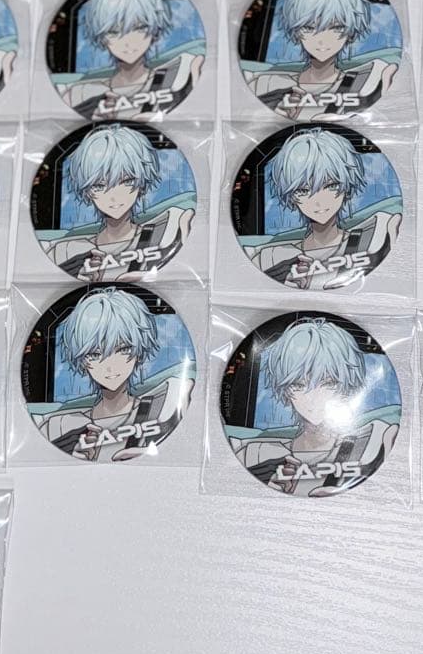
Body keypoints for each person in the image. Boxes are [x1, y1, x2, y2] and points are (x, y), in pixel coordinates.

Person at [229, 318, 397, 496]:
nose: (313, 398)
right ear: (284, 391)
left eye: (328, 383)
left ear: (347, 387)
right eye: (298, 385)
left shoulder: (376, 437)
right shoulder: (255, 452)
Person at [35, 288, 192, 461]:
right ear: (82, 360)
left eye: (123, 349)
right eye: (94, 354)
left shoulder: (162, 408)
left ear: (139, 353)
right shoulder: (58, 425)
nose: (109, 366)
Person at [246, 128, 400, 290]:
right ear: (291, 196)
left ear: (347, 188)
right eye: (303, 190)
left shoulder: (377, 233)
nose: (318, 201)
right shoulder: (270, 256)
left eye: (331, 185)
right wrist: (280, 277)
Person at [245, 0, 396, 120]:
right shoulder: (267, 83)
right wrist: (270, 113)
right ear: (296, 31)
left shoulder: (367, 81)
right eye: (309, 27)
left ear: (350, 33)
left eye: (336, 27)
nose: (322, 39)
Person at [59, 0, 203, 119]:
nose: (128, 41)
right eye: (114, 32)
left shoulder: (179, 74)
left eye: (140, 28)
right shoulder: (80, 93)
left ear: (155, 32)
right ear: (102, 38)